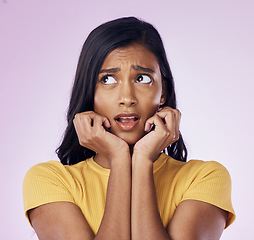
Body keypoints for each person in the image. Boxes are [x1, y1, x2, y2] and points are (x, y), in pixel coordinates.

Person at [23, 17, 235, 239]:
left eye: (142, 78)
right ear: (89, 92)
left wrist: (142, 161)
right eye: (107, 80)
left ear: (163, 92)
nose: (126, 98)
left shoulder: (205, 177)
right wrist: (119, 159)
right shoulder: (49, 180)